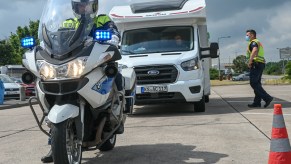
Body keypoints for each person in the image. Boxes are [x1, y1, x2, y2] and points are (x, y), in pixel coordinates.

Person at [41, 0, 122, 163]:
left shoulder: (102, 20)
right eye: (79, 5)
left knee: (115, 74)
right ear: (74, 7)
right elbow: (55, 40)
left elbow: (114, 34)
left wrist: (111, 38)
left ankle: (119, 106)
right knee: (47, 88)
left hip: (95, 62)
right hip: (72, 64)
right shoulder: (68, 23)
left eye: (86, 5)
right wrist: (44, 44)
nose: (82, 8)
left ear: (93, 6)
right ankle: (55, 143)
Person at [245, 29, 273, 108]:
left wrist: (250, 61)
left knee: (253, 83)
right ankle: (257, 102)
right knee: (257, 83)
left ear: (252, 35)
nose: (246, 37)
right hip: (260, 64)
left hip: (256, 64)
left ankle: (267, 98)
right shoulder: (258, 42)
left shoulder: (254, 42)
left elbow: (255, 50)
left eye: (248, 35)